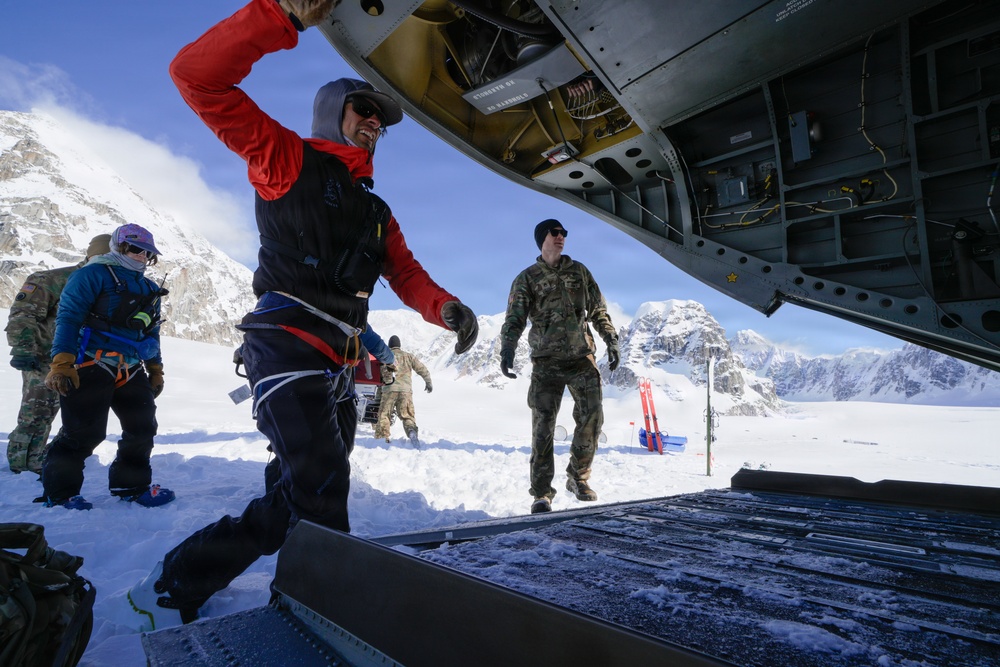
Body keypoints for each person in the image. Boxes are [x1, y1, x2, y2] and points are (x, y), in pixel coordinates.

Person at [127, 0, 479, 629]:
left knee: (296, 494)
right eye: (363, 110)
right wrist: (281, 15)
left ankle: (179, 579)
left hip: (341, 364)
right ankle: (322, 615)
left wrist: (445, 308)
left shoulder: (377, 211)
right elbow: (195, 76)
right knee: (321, 492)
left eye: (380, 119)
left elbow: (406, 274)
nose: (375, 123)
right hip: (285, 347)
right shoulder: (284, 160)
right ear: (330, 114)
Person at [38, 224, 173, 511]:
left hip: (132, 366)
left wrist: (156, 369)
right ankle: (60, 494)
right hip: (89, 361)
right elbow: (69, 318)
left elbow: (151, 334)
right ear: (119, 247)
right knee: (82, 433)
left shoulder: (149, 287)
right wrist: (61, 363)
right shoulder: (91, 275)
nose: (141, 257)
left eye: (148, 254)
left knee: (142, 428)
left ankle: (131, 486)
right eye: (136, 249)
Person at [499, 219, 620, 515]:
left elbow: (598, 310)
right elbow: (514, 319)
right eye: (555, 233)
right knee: (543, 427)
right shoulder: (527, 278)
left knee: (592, 417)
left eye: (564, 233)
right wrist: (507, 349)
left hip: (581, 358)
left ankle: (577, 478)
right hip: (546, 361)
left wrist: (611, 340)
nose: (561, 237)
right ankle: (541, 493)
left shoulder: (579, 271)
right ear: (542, 239)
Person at [5, 234, 111, 474]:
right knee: (37, 412)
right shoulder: (52, 279)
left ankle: (49, 457)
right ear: (92, 254)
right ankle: (21, 465)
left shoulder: (105, 284)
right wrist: (22, 349)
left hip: (83, 362)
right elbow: (23, 315)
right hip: (44, 359)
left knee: (74, 418)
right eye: (104, 256)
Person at [374, 334, 432, 447]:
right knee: (407, 415)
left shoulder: (385, 356)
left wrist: (377, 394)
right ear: (399, 345)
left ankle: (382, 439)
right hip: (406, 391)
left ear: (389, 345)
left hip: (389, 389)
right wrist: (428, 381)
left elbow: (379, 375)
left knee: (384, 414)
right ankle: (411, 432)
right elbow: (421, 368)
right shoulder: (409, 356)